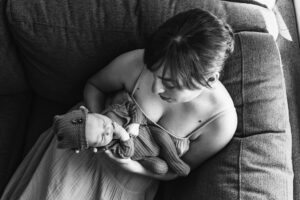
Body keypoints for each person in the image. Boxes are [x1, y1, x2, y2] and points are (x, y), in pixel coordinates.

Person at [1, 4, 237, 200]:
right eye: (154, 74)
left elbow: (179, 170)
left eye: (170, 83)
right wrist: (97, 120)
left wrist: (130, 166)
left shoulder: (220, 123)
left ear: (209, 80)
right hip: (83, 145)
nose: (156, 88)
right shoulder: (135, 63)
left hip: (129, 182)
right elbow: (94, 85)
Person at [53, 103, 190, 176]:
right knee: (159, 168)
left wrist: (135, 123)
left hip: (150, 134)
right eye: (101, 137)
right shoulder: (109, 148)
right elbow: (127, 154)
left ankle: (175, 160)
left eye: (102, 123)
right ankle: (168, 166)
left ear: (91, 112)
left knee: (163, 137)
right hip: (144, 157)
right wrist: (124, 136)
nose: (107, 130)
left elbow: (134, 107)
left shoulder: (114, 112)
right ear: (91, 147)